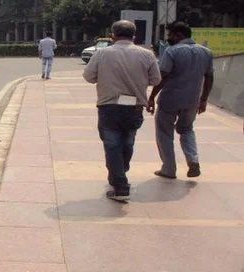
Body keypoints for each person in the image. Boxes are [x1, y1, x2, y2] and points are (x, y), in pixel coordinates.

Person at [83, 20, 161, 201]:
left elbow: (88, 76)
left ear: (113, 35)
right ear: (134, 36)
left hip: (108, 107)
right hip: (134, 108)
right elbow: (156, 80)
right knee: (127, 143)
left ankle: (120, 185)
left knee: (112, 146)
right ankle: (119, 175)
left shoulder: (102, 54)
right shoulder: (147, 55)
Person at [147, 21, 214, 179]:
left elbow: (163, 76)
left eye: (170, 35)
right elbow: (210, 77)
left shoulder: (172, 51)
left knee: (164, 133)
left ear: (178, 35)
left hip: (170, 100)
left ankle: (169, 169)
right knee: (187, 129)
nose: (169, 38)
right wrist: (203, 100)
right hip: (192, 100)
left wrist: (151, 97)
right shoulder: (206, 52)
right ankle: (193, 160)